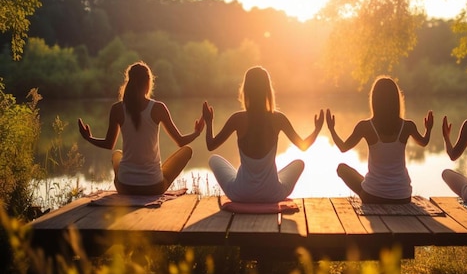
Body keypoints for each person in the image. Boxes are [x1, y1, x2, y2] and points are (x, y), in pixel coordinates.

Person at [78, 62, 205, 195]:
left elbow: (109, 144)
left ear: (129, 81)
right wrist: (197, 132)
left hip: (125, 187)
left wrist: (88, 138)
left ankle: (140, 175)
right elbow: (180, 141)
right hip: (154, 187)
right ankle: (152, 174)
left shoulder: (117, 109)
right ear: (148, 82)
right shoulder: (158, 108)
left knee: (117, 154)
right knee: (186, 151)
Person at [203, 66, 324, 203]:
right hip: (273, 194)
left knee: (214, 159)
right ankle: (269, 179)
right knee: (299, 163)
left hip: (241, 194)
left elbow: (211, 145)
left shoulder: (238, 119)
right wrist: (317, 130)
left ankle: (248, 179)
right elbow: (303, 146)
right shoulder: (278, 119)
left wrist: (209, 122)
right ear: (268, 91)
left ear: (246, 91)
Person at [326, 76, 434, 204]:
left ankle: (373, 188)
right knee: (365, 179)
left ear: (374, 100)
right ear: (396, 100)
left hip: (373, 196)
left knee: (342, 169)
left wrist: (332, 129)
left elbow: (343, 147)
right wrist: (428, 129)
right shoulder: (407, 126)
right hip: (402, 197)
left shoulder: (365, 127)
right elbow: (424, 142)